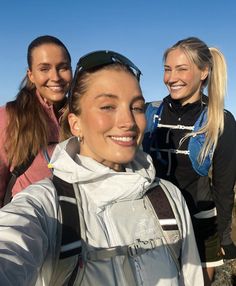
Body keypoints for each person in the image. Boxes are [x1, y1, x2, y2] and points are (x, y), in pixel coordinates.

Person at [0, 50, 204, 285]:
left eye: (137, 107)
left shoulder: (168, 198)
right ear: (75, 124)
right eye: (107, 106)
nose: (128, 122)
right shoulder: (45, 205)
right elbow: (11, 244)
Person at [143, 36, 236, 285]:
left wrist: (224, 237)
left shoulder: (220, 120)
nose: (171, 78)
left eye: (182, 69)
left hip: (200, 225)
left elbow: (224, 188)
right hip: (153, 223)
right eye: (167, 69)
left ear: (204, 72)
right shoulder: (149, 113)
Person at [0, 35, 72, 206]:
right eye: (44, 69)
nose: (55, 77)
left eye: (63, 68)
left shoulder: (81, 115)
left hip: (76, 225)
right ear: (31, 75)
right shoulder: (10, 116)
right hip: (28, 225)